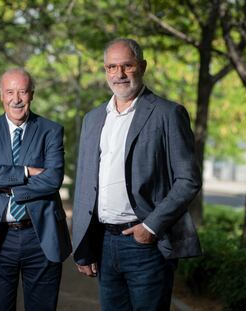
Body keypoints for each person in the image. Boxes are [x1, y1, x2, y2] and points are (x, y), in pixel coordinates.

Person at [72, 38, 202, 310]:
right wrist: (84, 247)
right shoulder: (93, 118)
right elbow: (85, 184)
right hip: (105, 244)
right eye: (111, 67)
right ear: (105, 70)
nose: (118, 74)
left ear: (141, 66)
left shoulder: (168, 113)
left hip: (146, 244)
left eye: (126, 66)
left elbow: (188, 180)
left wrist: (151, 227)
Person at [0, 68, 71, 311]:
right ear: (1, 96)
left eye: (22, 92)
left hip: (40, 236)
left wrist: (9, 186)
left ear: (32, 94)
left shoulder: (51, 130)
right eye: (10, 92)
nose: (16, 99)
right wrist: (28, 171)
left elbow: (53, 179)